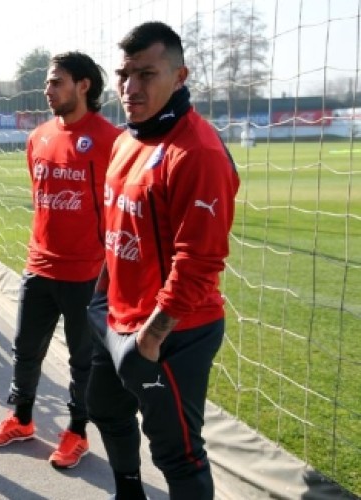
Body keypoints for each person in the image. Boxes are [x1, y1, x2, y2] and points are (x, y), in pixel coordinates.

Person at [87, 21, 239, 500]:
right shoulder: (125, 140)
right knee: (105, 408)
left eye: (146, 74)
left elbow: (200, 262)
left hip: (174, 333)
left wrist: (151, 338)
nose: (130, 88)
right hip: (117, 316)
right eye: (123, 74)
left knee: (178, 453)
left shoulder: (199, 152)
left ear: (180, 76)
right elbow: (117, 231)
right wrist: (101, 295)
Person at [0, 52, 120, 470]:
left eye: (56, 81)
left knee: (83, 361)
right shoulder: (38, 136)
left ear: (84, 86)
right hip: (39, 266)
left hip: (86, 274)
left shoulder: (112, 140)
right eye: (47, 82)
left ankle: (77, 432)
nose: (47, 89)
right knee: (25, 349)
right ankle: (21, 419)